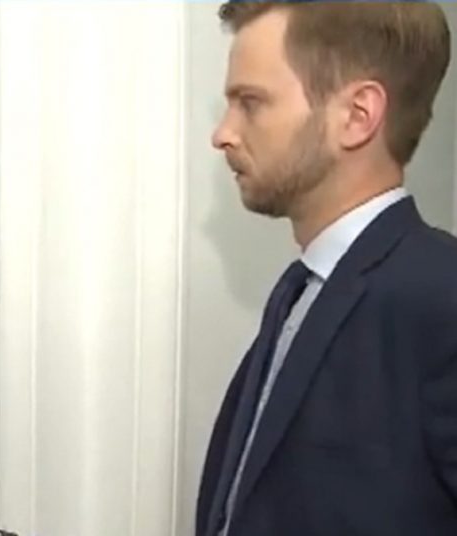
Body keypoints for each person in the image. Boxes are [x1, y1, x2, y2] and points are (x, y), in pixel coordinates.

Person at [196, 2, 457, 535]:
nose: (222, 133)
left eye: (250, 103)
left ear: (357, 116)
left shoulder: (441, 298)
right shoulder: (299, 293)